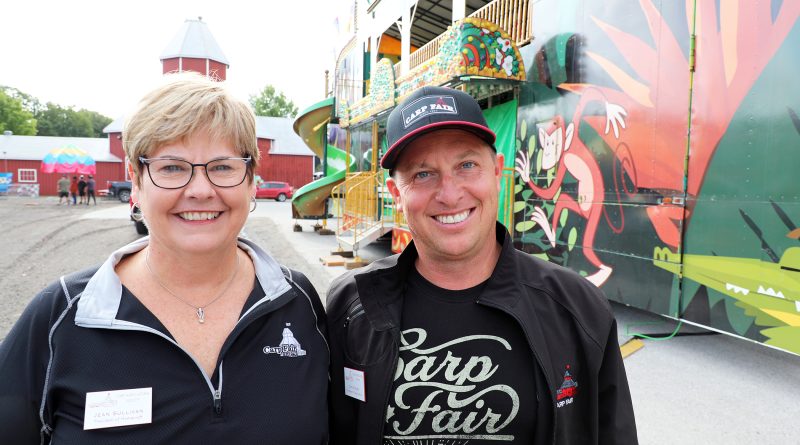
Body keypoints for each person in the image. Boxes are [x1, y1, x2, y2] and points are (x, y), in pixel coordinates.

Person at [0, 73, 329, 443]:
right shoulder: (62, 316)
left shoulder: (296, 303)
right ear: (136, 181)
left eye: (223, 167)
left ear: (251, 179)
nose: (201, 190)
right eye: (172, 167)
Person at [327, 86, 637, 444]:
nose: (450, 193)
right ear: (397, 196)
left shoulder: (575, 307)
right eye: (423, 174)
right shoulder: (353, 305)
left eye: (467, 165)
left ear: (497, 172)